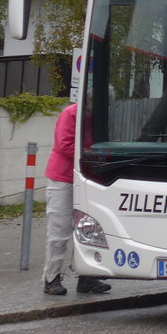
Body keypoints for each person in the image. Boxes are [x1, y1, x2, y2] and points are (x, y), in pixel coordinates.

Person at [43, 103, 110, 296]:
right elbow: (65, 145)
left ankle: (87, 276)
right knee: (60, 229)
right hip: (63, 177)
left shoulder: (98, 114)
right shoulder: (71, 114)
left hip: (87, 176)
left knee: (89, 228)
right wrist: (93, 156)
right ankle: (51, 277)